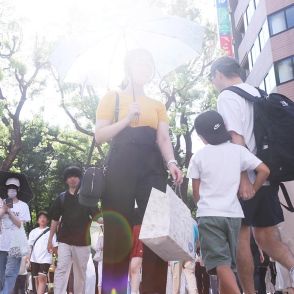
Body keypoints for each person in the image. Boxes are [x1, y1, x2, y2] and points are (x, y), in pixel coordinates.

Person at [95, 48, 183, 294]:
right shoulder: (111, 97)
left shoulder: (157, 104)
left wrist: (172, 163)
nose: (143, 68)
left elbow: (163, 138)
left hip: (152, 165)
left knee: (156, 230)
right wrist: (126, 118)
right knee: (117, 231)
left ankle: (154, 290)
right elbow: (99, 136)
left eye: (147, 64)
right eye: (138, 63)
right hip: (120, 164)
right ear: (128, 68)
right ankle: (114, 291)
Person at [210, 56, 294, 293]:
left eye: (213, 78)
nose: (214, 83)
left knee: (240, 237)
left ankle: (248, 292)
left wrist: (243, 179)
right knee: (266, 237)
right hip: (267, 175)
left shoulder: (227, 96)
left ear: (218, 74)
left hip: (246, 176)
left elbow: (236, 139)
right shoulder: (259, 93)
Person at [187, 110, 270, 294]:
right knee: (227, 267)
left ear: (201, 136)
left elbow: (196, 193)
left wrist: (204, 205)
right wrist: (253, 190)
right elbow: (264, 170)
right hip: (233, 216)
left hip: (209, 215)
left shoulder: (198, 157)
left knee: (220, 265)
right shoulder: (238, 151)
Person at [47, 166, 98, 294]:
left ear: (80, 179)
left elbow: (99, 217)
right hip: (64, 240)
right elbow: (54, 219)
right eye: (70, 176)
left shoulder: (87, 197)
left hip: (83, 241)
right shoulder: (61, 198)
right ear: (66, 180)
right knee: (61, 269)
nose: (72, 179)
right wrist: (50, 240)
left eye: (75, 176)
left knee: (80, 273)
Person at [0, 177, 31, 294]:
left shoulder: (23, 206)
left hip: (16, 244)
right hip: (1, 243)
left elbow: (19, 224)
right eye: (9, 188)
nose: (11, 190)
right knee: (1, 274)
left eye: (13, 188)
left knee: (11, 273)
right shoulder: (1, 202)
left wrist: (10, 212)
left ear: (18, 189)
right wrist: (4, 208)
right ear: (6, 189)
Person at [28, 211, 57, 294]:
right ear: (37, 220)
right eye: (40, 217)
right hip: (34, 259)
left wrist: (56, 254)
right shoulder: (33, 232)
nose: (42, 219)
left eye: (44, 217)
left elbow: (55, 246)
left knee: (42, 278)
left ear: (47, 220)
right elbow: (29, 246)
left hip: (45, 259)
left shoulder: (51, 232)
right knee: (36, 279)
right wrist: (28, 258)